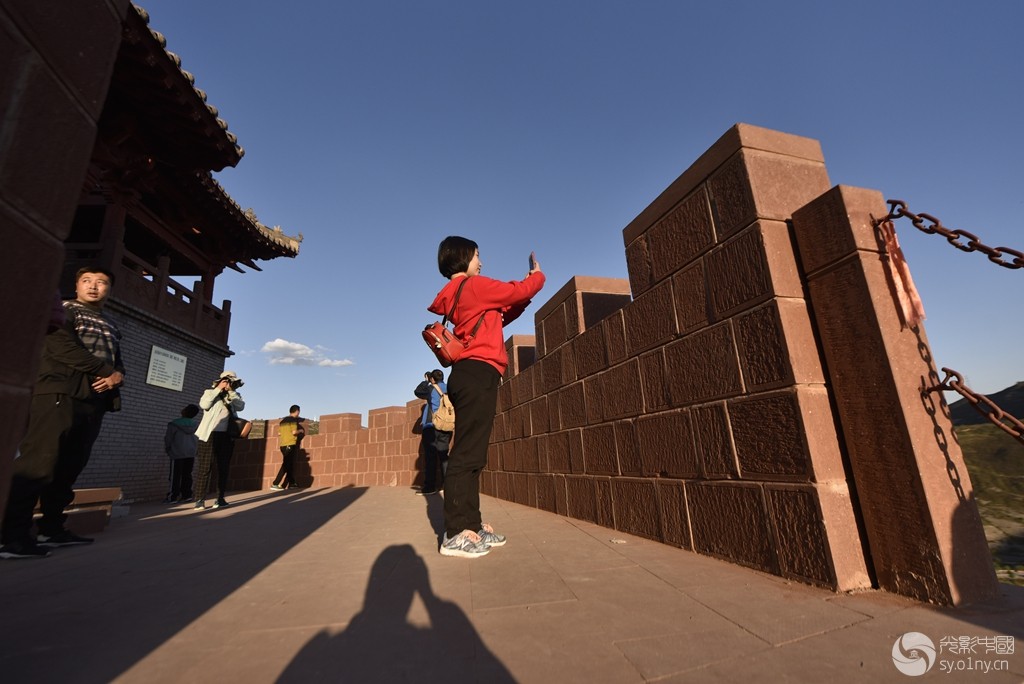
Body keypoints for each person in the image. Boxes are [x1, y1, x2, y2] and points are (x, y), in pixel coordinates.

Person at [428, 236, 544, 558]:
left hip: (473, 374)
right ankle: (454, 534)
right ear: (464, 257)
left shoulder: (464, 294)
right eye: (478, 255)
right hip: (477, 372)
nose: (481, 261)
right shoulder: (474, 286)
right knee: (467, 454)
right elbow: (517, 292)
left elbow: (503, 313)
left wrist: (520, 295)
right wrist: (536, 276)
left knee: (474, 454)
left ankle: (472, 526)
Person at [1, 267, 125, 559]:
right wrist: (105, 371)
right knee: (39, 463)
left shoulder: (111, 324)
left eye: (101, 282)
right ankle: (12, 536)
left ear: (109, 288)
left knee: (69, 467)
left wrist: (115, 375)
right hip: (58, 392)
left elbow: (117, 363)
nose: (94, 286)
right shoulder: (66, 310)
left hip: (93, 400)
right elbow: (60, 346)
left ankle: (52, 529)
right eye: (87, 281)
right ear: (77, 285)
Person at [193, 371, 245, 510]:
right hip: (209, 434)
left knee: (223, 468)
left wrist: (231, 391)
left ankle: (219, 498)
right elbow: (204, 405)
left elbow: (241, 406)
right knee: (205, 468)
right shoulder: (209, 392)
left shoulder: (234, 396)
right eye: (226, 381)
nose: (228, 383)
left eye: (231, 381)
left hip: (226, 436)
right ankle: (199, 499)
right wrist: (218, 389)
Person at [413, 370, 450, 496]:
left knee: (431, 458)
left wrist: (425, 380)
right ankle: (447, 486)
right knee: (444, 456)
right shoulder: (450, 388)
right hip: (447, 426)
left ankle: (430, 487)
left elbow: (417, 391)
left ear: (432, 379)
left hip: (432, 427)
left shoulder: (430, 389)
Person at [163, 404, 200, 503]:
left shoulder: (174, 424)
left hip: (177, 453)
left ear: (185, 411)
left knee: (175, 476)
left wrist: (168, 448)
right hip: (191, 453)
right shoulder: (196, 425)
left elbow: (168, 439)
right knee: (187, 474)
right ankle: (187, 495)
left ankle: (173, 496)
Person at [271, 404, 305, 490]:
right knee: (286, 465)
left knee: (288, 464)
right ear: (297, 411)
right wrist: (300, 430)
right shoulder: (293, 420)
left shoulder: (282, 421)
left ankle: (292, 484)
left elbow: (279, 433)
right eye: (299, 411)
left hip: (283, 445)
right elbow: (294, 432)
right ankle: (275, 483)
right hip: (290, 444)